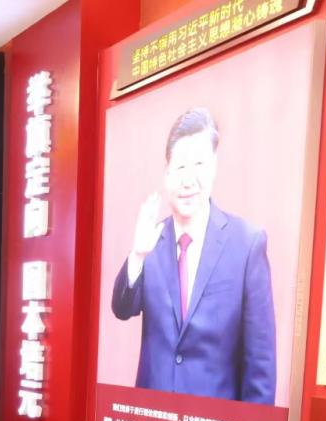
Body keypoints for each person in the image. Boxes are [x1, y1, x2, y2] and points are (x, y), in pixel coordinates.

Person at [111, 107, 275, 404]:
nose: (188, 180)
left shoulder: (247, 243)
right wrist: (137, 255)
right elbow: (122, 309)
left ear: (213, 167)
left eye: (198, 164)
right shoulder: (152, 240)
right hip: (156, 420)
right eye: (180, 167)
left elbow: (260, 363)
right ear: (166, 174)